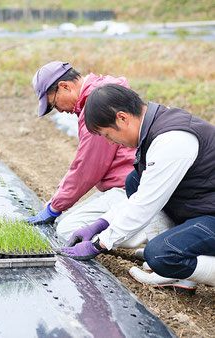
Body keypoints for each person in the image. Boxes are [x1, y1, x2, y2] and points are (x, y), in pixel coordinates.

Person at [61, 83, 215, 290]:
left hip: (209, 212)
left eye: (107, 135)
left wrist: (100, 244)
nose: (110, 143)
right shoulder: (156, 124)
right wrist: (100, 224)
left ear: (122, 118)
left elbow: (145, 205)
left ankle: (177, 263)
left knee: (161, 254)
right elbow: (142, 194)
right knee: (134, 180)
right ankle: (179, 262)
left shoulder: (171, 140)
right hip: (204, 204)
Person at [27, 61, 170, 248]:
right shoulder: (101, 92)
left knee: (67, 229)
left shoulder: (98, 106)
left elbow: (88, 167)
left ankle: (154, 231)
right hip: (127, 183)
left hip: (129, 188)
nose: (59, 110)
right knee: (65, 222)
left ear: (64, 87)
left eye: (54, 104)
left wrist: (55, 206)